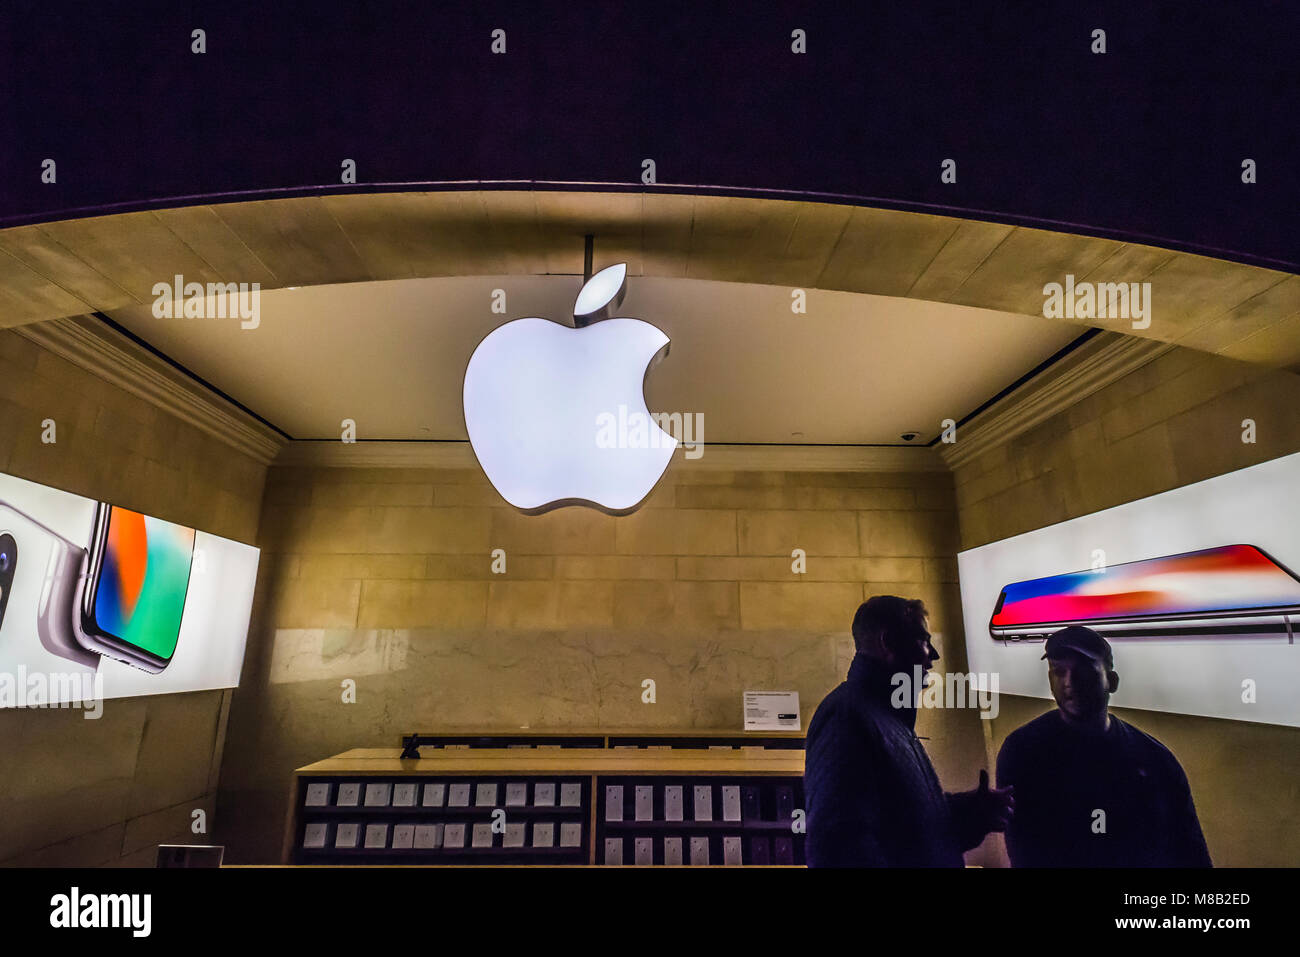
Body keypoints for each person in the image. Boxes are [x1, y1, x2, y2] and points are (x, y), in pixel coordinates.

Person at [804, 595, 1014, 866]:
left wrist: (971, 813)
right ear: (888, 642)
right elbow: (836, 848)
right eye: (923, 641)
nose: (933, 655)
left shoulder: (882, 716)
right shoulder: (846, 718)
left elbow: (905, 831)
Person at [996, 625, 1212, 867]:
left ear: (1112, 680)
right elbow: (1025, 853)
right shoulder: (1024, 751)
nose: (1069, 681)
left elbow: (1191, 851)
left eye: (1083, 670)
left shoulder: (1155, 759)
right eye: (1058, 671)